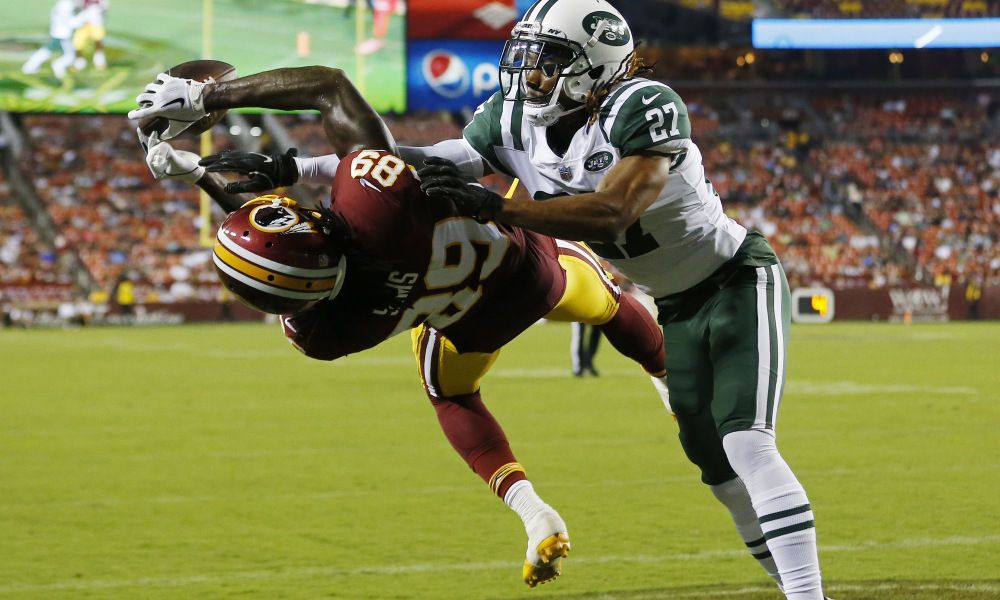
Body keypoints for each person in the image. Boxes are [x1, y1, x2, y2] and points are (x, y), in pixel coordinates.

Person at [128, 63, 669, 588]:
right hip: (531, 271)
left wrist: (203, 177)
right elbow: (329, 88)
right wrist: (206, 99)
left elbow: (286, 260)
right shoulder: (371, 205)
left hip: (469, 324)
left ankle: (532, 511)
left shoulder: (327, 332)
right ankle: (668, 376)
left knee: (451, 397)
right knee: (611, 304)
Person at [414, 1, 833, 598]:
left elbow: (613, 214)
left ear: (593, 63)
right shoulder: (524, 126)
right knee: (713, 465)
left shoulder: (642, 105)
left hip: (736, 279)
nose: (532, 73)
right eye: (531, 58)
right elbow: (430, 159)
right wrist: (308, 166)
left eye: (550, 60)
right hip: (676, 305)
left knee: (746, 441)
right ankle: (792, 585)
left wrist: (497, 206)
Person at [21, 0, 82, 80]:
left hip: (57, 32)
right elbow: (72, 22)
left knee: (47, 51)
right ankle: (57, 66)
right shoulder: (67, 4)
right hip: (62, 34)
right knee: (69, 56)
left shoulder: (63, 3)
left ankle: (29, 67)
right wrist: (84, 15)